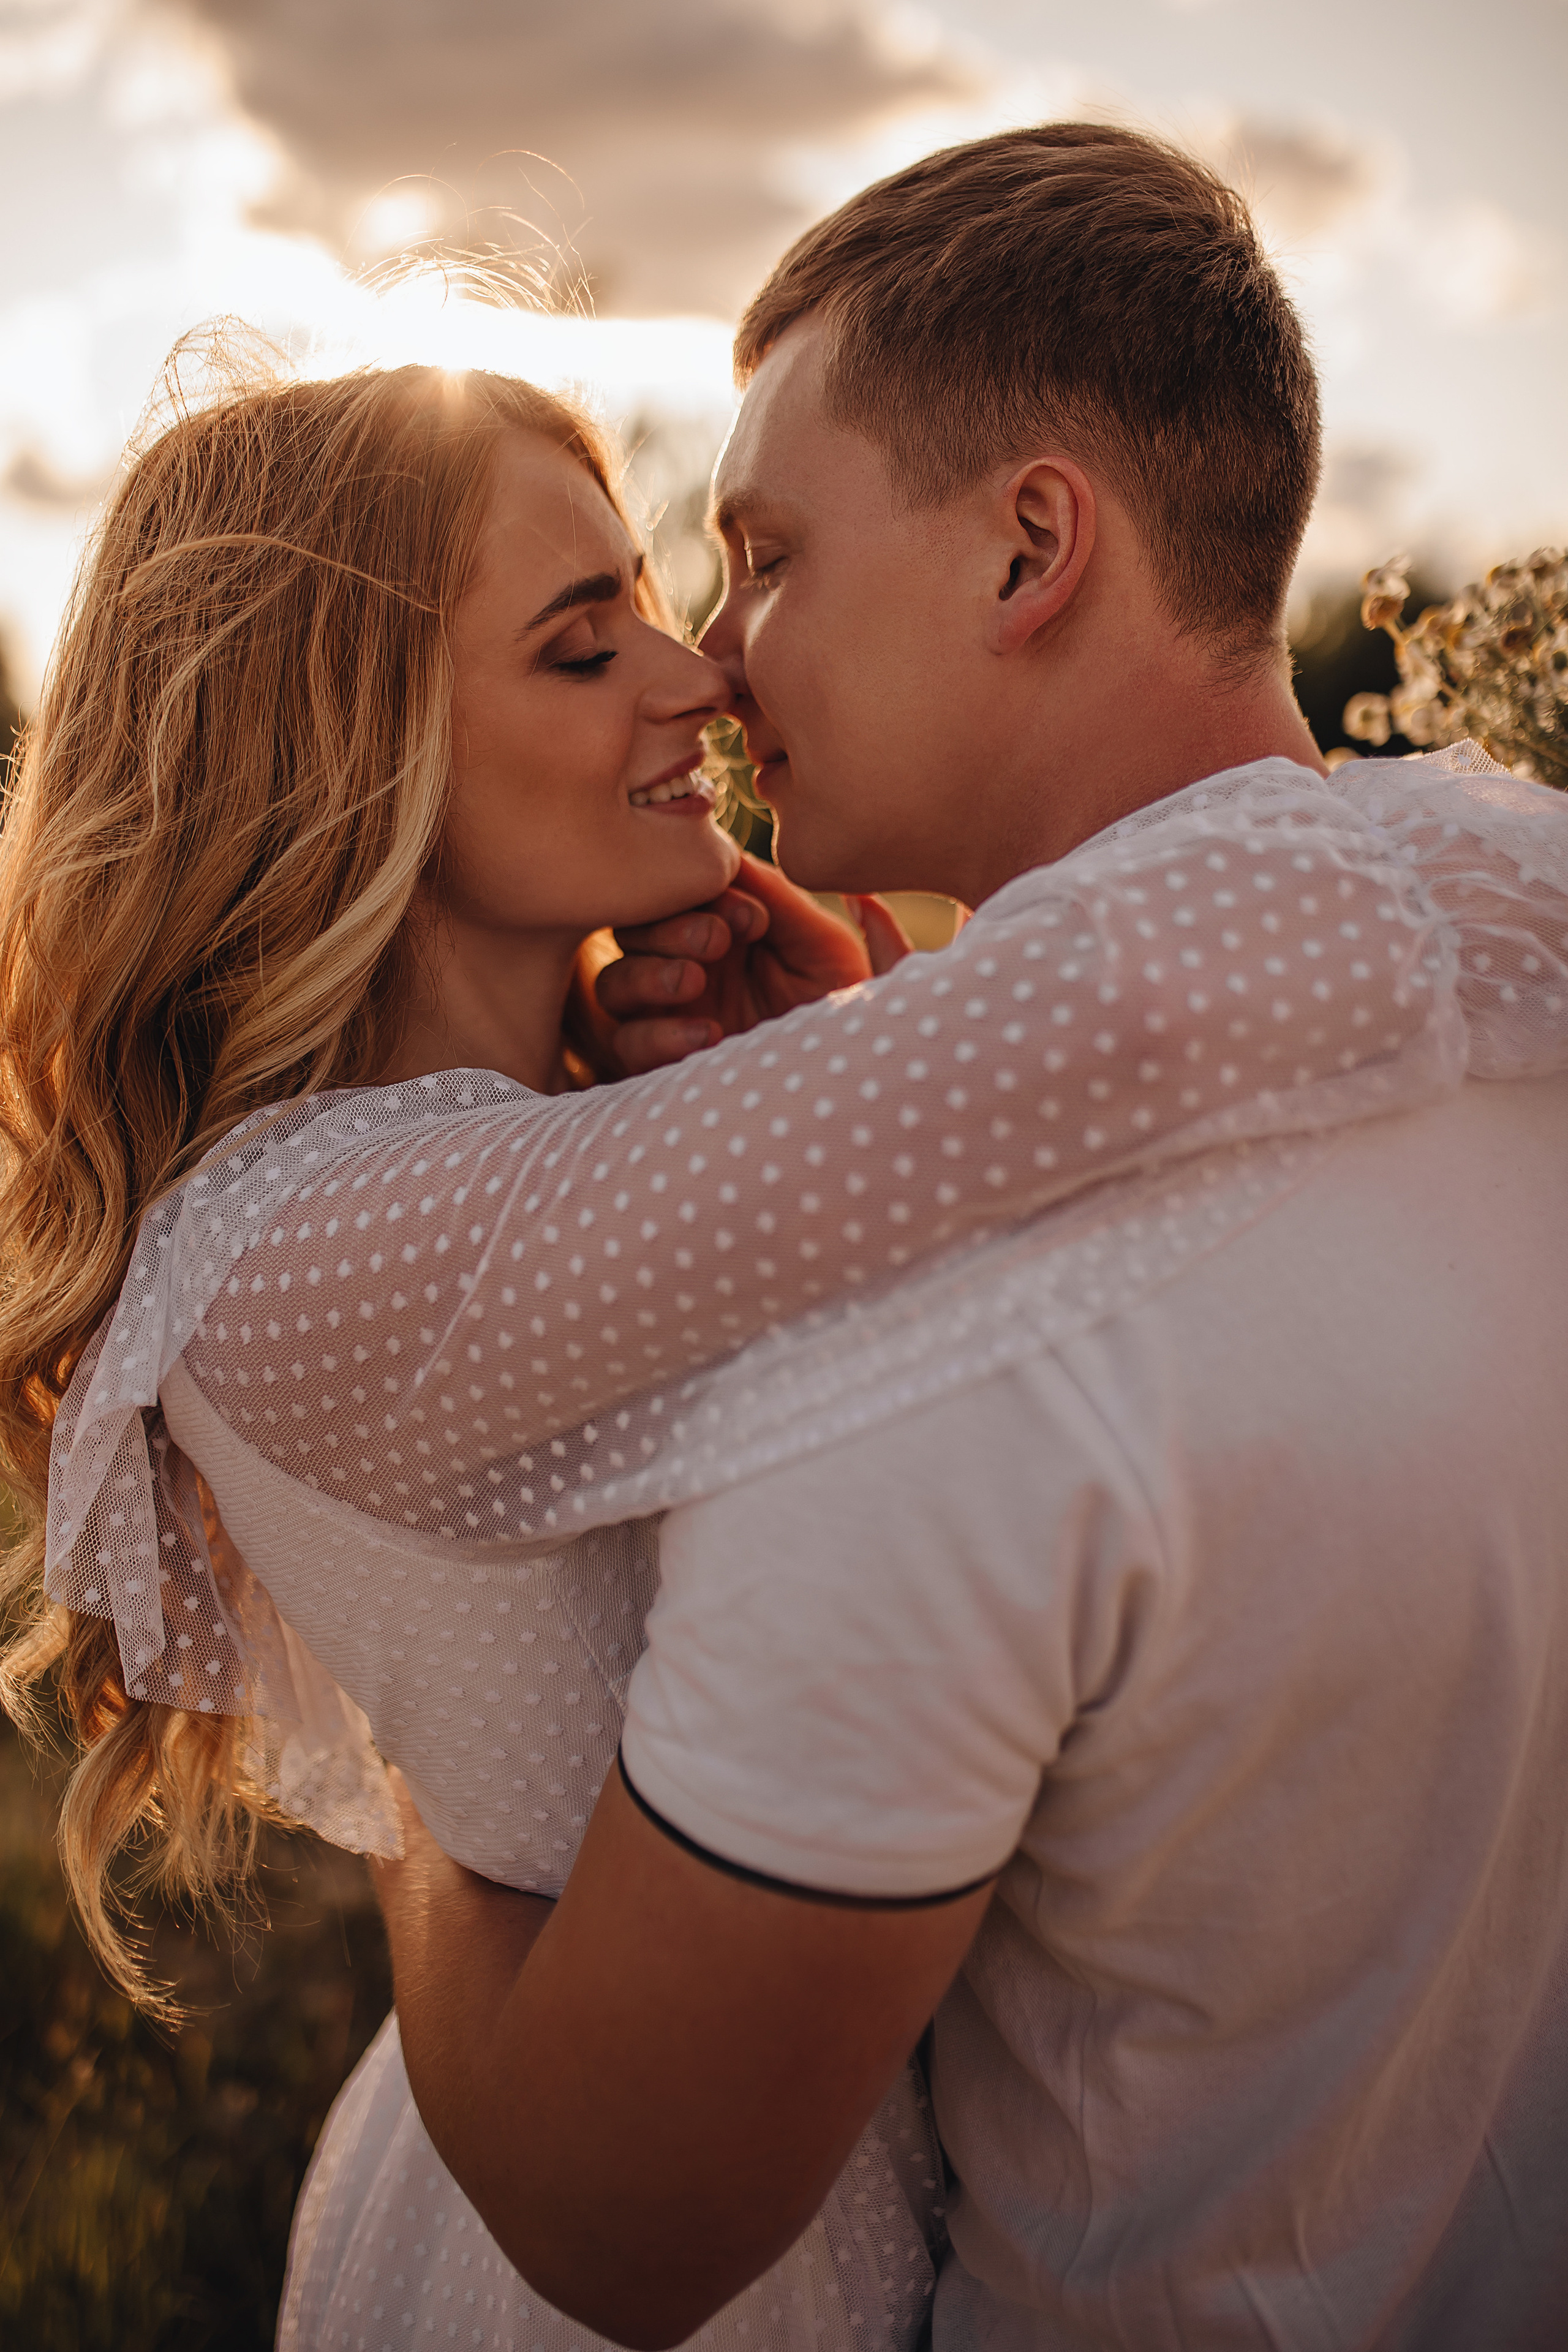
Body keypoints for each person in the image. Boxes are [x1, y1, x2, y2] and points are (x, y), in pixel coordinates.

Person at [0, 285, 1497, 2352]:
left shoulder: (499, 1170)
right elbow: (1148, 1002)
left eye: (678, 597)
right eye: (584, 639)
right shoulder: (303, 1235)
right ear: (350, 747)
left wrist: (780, 1065)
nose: (703, 672)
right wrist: (1494, 854)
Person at [362, 126, 1568, 2351]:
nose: (715, 667)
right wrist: (896, 1047)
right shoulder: (1515, 977)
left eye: (767, 555)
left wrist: (415, 1748)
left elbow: (615, 2215)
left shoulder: (914, 1325)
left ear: (1033, 546)